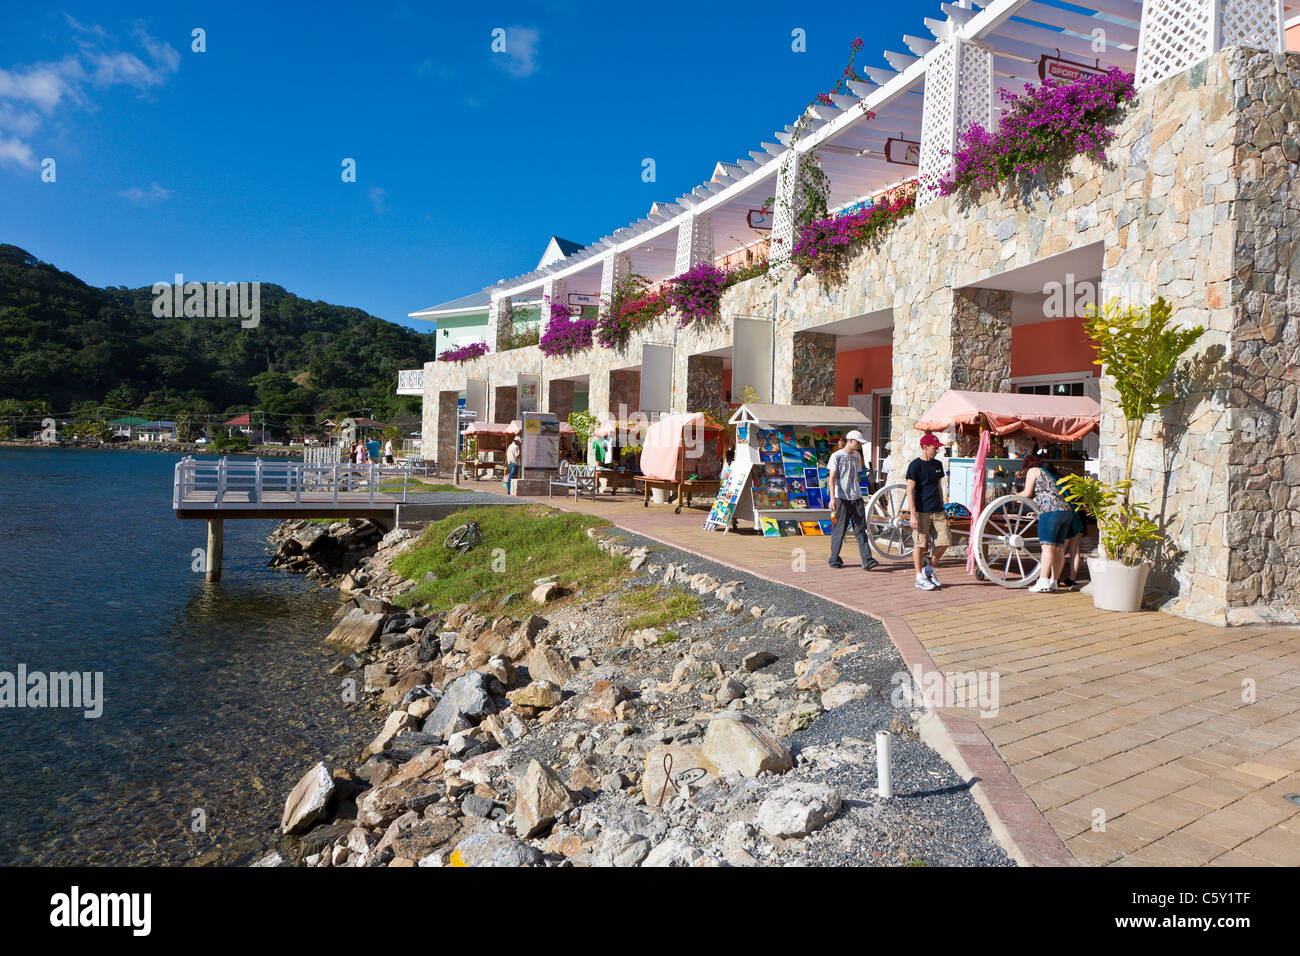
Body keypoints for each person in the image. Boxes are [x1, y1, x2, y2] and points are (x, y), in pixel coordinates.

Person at [1019, 452, 1073, 592]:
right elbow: (1040, 497)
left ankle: (1043, 581)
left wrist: (1013, 495)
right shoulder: (1048, 475)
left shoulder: (1033, 471)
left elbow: (1026, 493)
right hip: (1066, 512)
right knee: (1059, 548)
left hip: (1051, 512)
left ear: (1027, 466)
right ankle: (1054, 581)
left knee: (1047, 547)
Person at [827, 429, 880, 572]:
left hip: (856, 497)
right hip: (841, 498)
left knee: (861, 529)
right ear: (850, 441)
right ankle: (834, 558)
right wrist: (832, 498)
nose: (859, 445)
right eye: (858, 442)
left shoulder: (857, 456)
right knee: (839, 529)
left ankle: (867, 559)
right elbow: (831, 477)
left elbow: (856, 475)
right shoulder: (836, 456)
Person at [906, 433, 950, 590]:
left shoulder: (938, 464)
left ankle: (929, 570)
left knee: (945, 541)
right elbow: (910, 490)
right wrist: (913, 514)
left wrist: (943, 508)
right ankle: (919, 577)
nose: (937, 451)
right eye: (934, 448)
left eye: (937, 448)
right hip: (921, 511)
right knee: (919, 544)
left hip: (937, 511)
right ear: (925, 447)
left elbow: (938, 487)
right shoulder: (915, 466)